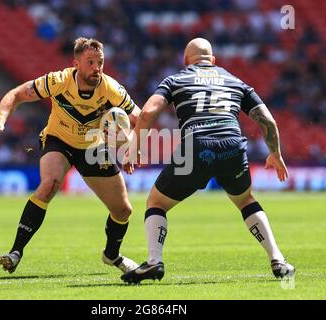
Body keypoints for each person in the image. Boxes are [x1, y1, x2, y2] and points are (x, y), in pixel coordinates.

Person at [121, 38, 295, 284]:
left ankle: (154, 261)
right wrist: (275, 153)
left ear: (185, 61)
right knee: (245, 200)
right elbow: (268, 121)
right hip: (232, 147)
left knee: (156, 202)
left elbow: (148, 112)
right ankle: (277, 259)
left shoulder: (176, 79)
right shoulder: (235, 81)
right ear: (213, 61)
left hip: (196, 147)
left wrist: (134, 147)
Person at [0, 37, 141, 274]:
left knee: (123, 211)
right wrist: (0, 121)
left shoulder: (111, 88)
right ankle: (15, 252)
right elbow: (16, 94)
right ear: (76, 64)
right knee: (50, 184)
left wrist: (132, 146)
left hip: (92, 147)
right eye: (90, 62)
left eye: (100, 62)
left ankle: (112, 255)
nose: (96, 68)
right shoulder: (58, 81)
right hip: (59, 140)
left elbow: (139, 118)